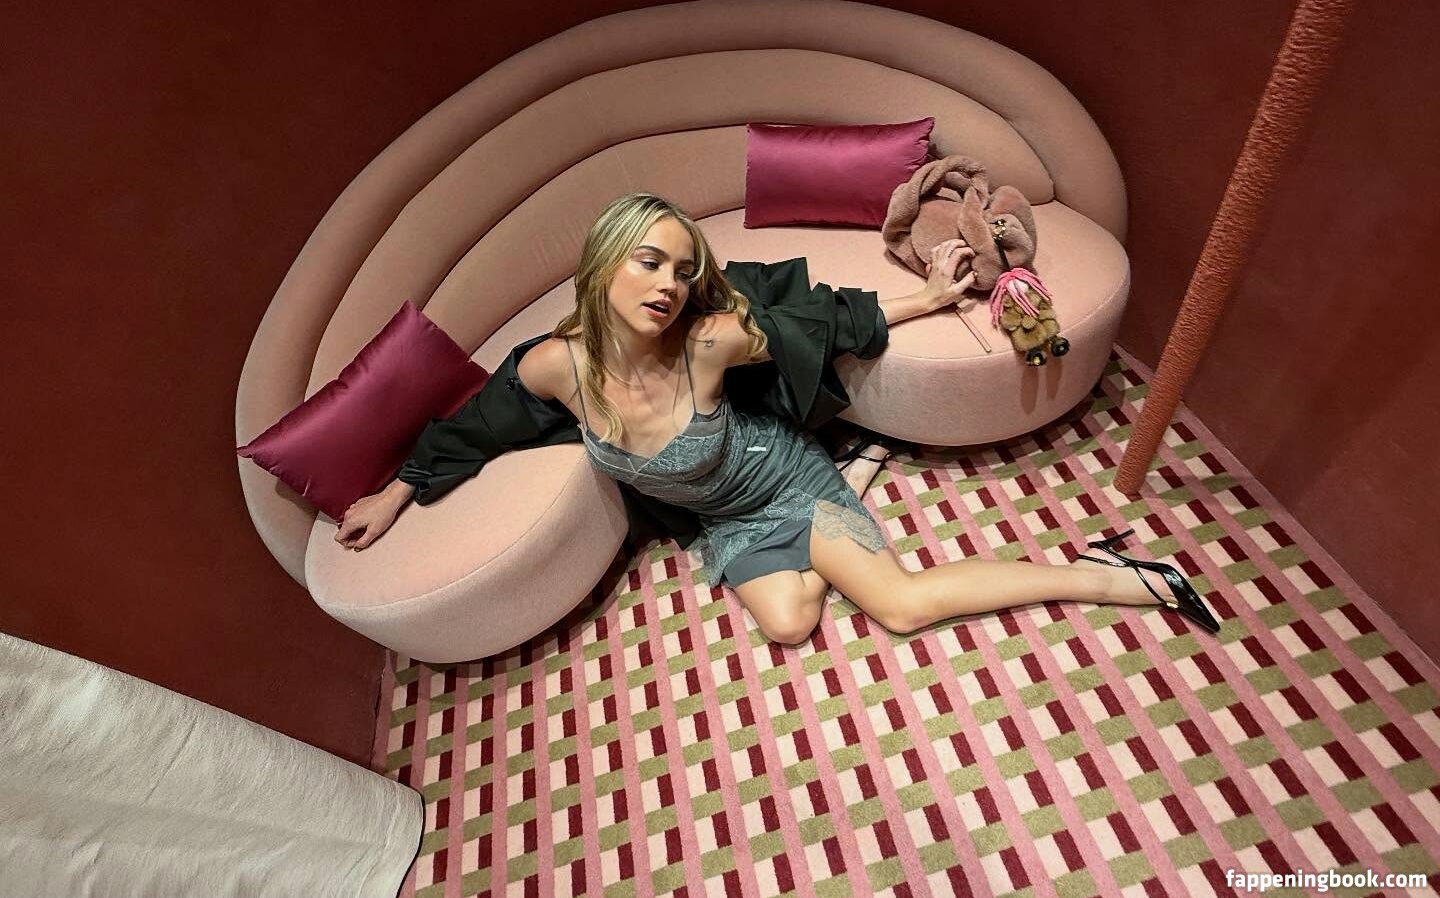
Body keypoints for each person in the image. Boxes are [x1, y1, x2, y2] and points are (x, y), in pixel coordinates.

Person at [335, 193, 1220, 645]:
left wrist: (926, 297)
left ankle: (1113, 577)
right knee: (792, 623)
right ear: (603, 265)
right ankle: (863, 476)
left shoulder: (708, 342)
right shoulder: (553, 366)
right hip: (720, 517)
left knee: (901, 607)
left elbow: (817, 321)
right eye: (648, 262)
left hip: (782, 480)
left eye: (683, 271)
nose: (668, 286)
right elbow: (482, 423)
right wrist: (399, 490)